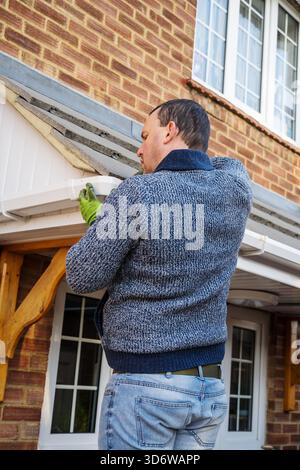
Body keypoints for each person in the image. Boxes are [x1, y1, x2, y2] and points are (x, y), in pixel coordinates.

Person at [65, 99, 253, 450]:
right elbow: (232, 165)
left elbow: (81, 275)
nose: (139, 149)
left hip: (146, 389)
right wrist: (194, 156)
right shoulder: (235, 192)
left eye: (146, 135)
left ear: (170, 131)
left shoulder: (139, 192)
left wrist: (99, 222)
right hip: (208, 390)